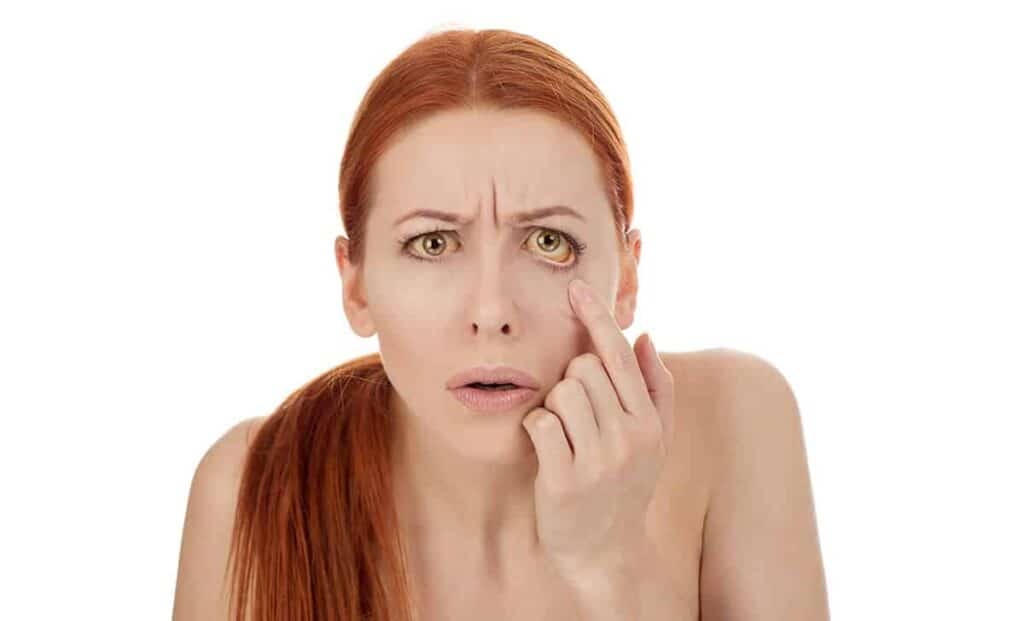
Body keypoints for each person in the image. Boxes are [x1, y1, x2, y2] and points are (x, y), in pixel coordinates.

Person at [172, 27, 829, 621]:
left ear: (627, 278)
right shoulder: (248, 491)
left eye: (549, 242)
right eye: (432, 243)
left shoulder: (735, 421)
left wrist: (609, 562)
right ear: (356, 285)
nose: (491, 312)